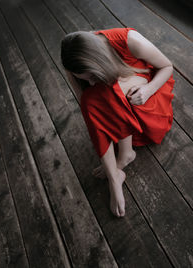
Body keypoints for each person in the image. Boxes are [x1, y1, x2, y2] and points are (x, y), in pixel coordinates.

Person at [61, 27, 175, 218]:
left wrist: (148, 90)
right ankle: (115, 176)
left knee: (106, 92)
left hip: (147, 93)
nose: (89, 83)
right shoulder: (74, 63)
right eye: (85, 79)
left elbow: (167, 67)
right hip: (119, 102)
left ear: (99, 61)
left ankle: (124, 156)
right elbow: (87, 106)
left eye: (91, 77)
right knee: (94, 100)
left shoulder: (130, 40)